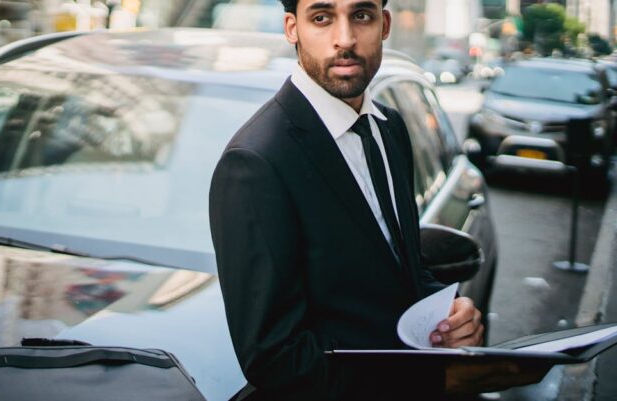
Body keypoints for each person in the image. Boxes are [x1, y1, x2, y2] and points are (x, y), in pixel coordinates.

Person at [208, 0, 485, 399]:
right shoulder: (256, 162)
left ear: (384, 23)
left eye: (361, 15)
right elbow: (275, 358)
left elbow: (400, 271)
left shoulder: (390, 129)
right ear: (292, 28)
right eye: (321, 18)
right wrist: (426, 381)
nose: (345, 39)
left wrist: (449, 314)